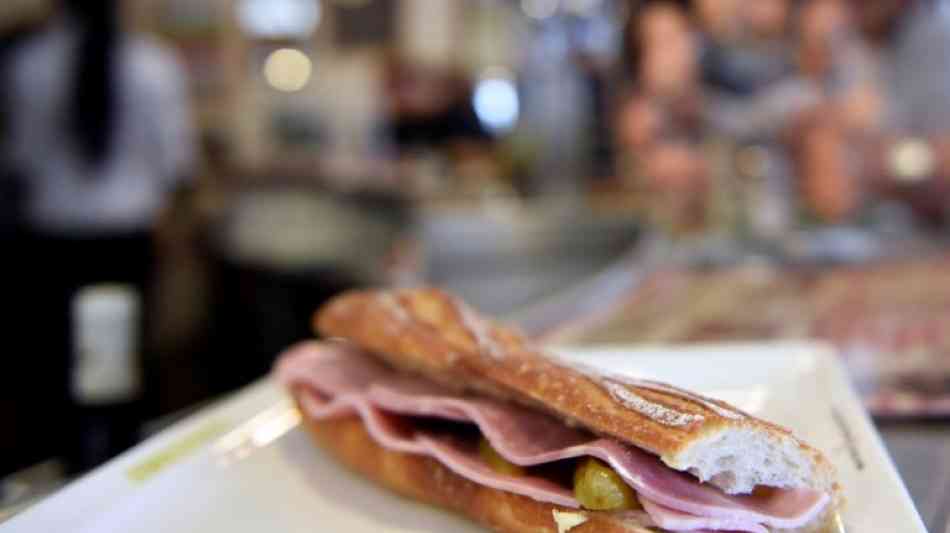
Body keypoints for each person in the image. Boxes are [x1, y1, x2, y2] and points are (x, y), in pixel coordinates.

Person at [5, 0, 193, 473]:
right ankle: (123, 469)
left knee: (54, 364)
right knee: (124, 361)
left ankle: (59, 471)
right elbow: (176, 163)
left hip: (52, 237)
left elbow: (18, 162)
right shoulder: (154, 65)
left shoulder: (30, 65)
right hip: (124, 238)